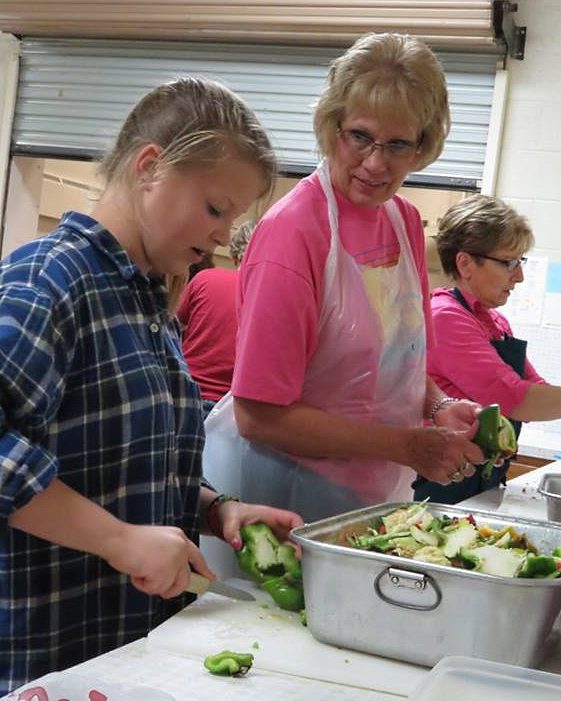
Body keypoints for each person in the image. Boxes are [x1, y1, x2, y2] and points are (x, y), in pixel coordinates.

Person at [0, 77, 303, 695]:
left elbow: (124, 463)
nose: (223, 235)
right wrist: (119, 541)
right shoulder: (47, 282)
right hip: (44, 654)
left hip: (121, 651)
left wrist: (217, 508)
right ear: (149, 167)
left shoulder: (146, 303)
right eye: (216, 208)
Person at [203, 32, 485, 524]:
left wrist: (439, 408)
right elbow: (258, 415)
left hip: (373, 489)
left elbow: (398, 369)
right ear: (332, 125)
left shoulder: (404, 224)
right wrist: (409, 445)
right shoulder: (293, 233)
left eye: (399, 145)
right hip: (279, 488)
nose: (376, 163)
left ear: (423, 147)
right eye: (360, 136)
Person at [417, 193, 561, 503]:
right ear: (465, 263)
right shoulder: (445, 317)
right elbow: (512, 397)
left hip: (480, 477)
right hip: (443, 482)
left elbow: (535, 389)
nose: (519, 276)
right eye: (509, 262)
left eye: (520, 262)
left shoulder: (494, 321)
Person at [178, 221, 256, 419]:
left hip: (187, 395)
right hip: (231, 411)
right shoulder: (272, 299)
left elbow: (172, 325)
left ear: (233, 254)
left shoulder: (205, 279)